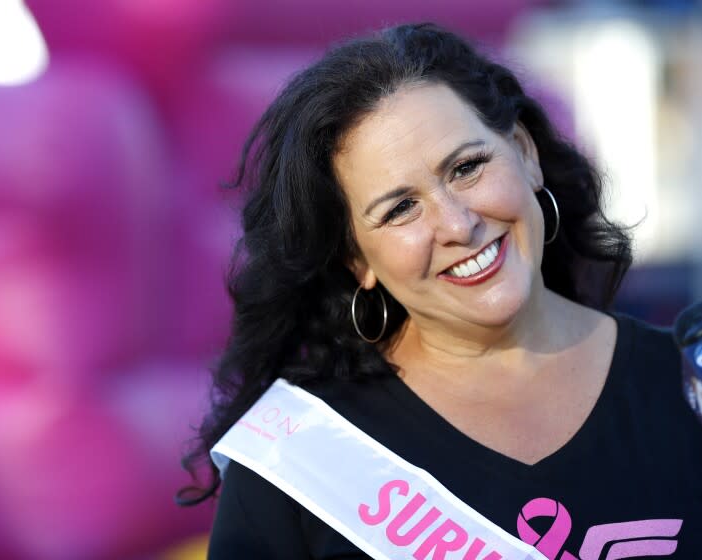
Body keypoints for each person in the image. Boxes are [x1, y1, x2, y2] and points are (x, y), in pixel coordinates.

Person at [178, 23, 702, 559]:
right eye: (400, 208)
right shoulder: (295, 461)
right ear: (357, 260)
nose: (457, 224)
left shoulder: (689, 383)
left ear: (524, 152)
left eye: (467, 167)